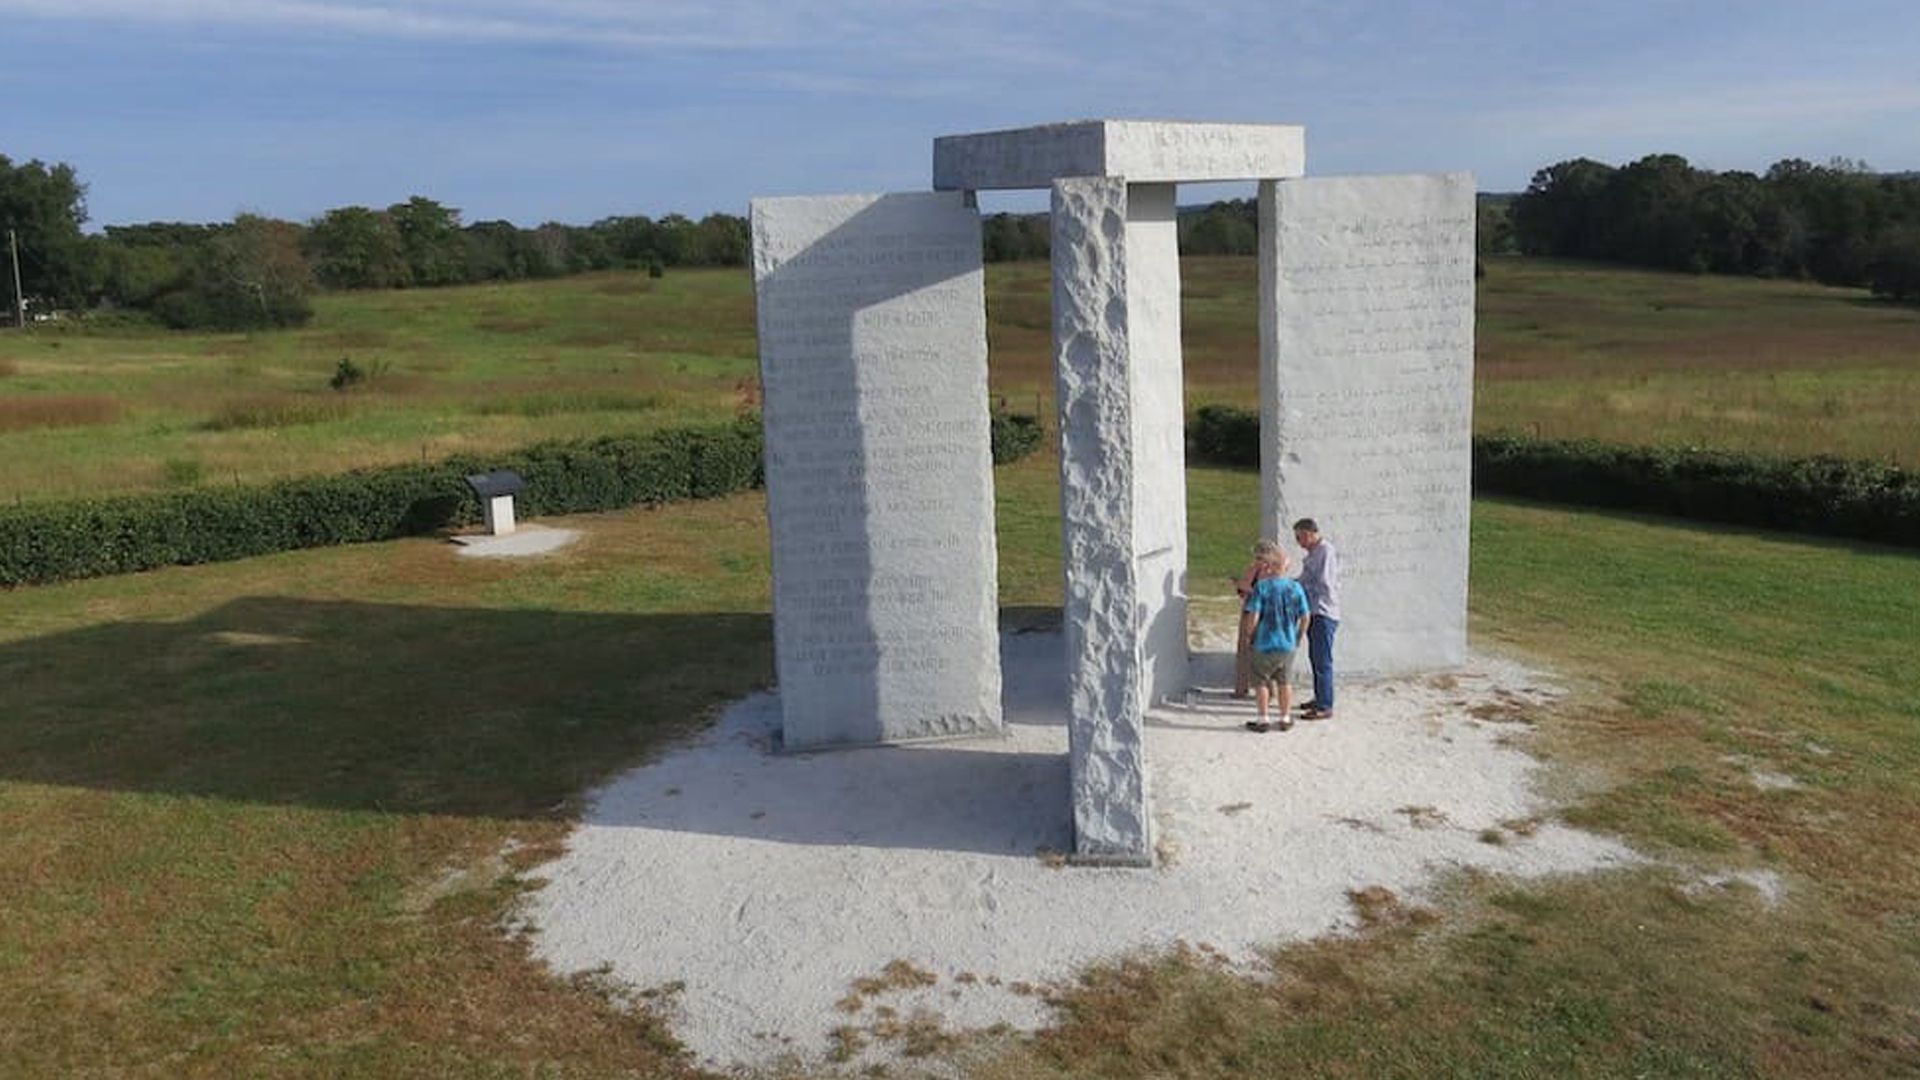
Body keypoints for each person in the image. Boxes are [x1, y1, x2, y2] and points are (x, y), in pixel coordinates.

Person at [1239, 540, 1310, 733]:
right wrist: (1298, 636)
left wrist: (1249, 635)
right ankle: (1285, 717)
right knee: (1285, 682)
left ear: (1270, 567)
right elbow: (1305, 616)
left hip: (1264, 642)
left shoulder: (1262, 587)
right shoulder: (1296, 588)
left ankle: (1263, 718)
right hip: (1287, 642)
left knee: (1261, 682)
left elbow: (1254, 615)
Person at [1292, 517, 1341, 720]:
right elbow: (1305, 578)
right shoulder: (1314, 553)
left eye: (1299, 537)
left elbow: (1325, 583)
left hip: (1323, 611)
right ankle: (1319, 696)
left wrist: (1302, 589)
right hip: (1313, 610)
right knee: (1315, 656)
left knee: (1322, 659)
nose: (1298, 542)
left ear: (1309, 533)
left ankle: (1324, 705)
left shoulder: (1325, 551)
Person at [1230, 545, 1287, 697]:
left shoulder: (1275, 572)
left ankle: (1269, 689)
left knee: (1265, 652)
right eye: (1257, 558)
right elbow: (1244, 589)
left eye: (1261, 558)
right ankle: (1241, 688)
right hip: (1250, 610)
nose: (1258, 561)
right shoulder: (1253, 570)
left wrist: (1249, 588)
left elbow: (1271, 590)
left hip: (1266, 614)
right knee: (1244, 649)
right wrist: (1243, 586)